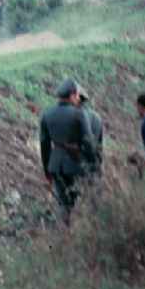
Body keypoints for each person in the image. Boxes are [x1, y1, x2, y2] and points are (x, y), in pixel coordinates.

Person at [39, 79, 97, 226]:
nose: (78, 98)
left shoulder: (46, 114)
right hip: (77, 164)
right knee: (85, 201)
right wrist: (93, 165)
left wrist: (47, 170)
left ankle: (65, 233)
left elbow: (44, 145)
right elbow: (88, 142)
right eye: (77, 95)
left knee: (64, 205)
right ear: (72, 95)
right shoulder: (79, 114)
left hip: (56, 165)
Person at [78, 87, 103, 173]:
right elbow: (99, 146)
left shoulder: (75, 116)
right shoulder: (97, 117)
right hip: (93, 162)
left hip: (79, 162)